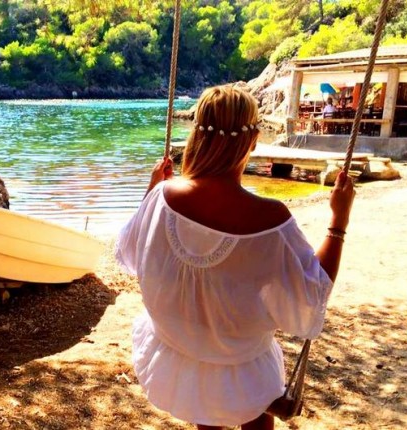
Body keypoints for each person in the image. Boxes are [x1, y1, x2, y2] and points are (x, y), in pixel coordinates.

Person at [115, 85, 355, 429]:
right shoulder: (271, 220)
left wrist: (152, 189)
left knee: (205, 410)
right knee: (252, 409)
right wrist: (339, 221)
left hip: (180, 347)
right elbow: (313, 290)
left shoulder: (161, 196)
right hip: (243, 360)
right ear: (253, 140)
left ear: (197, 134)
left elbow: (134, 249)